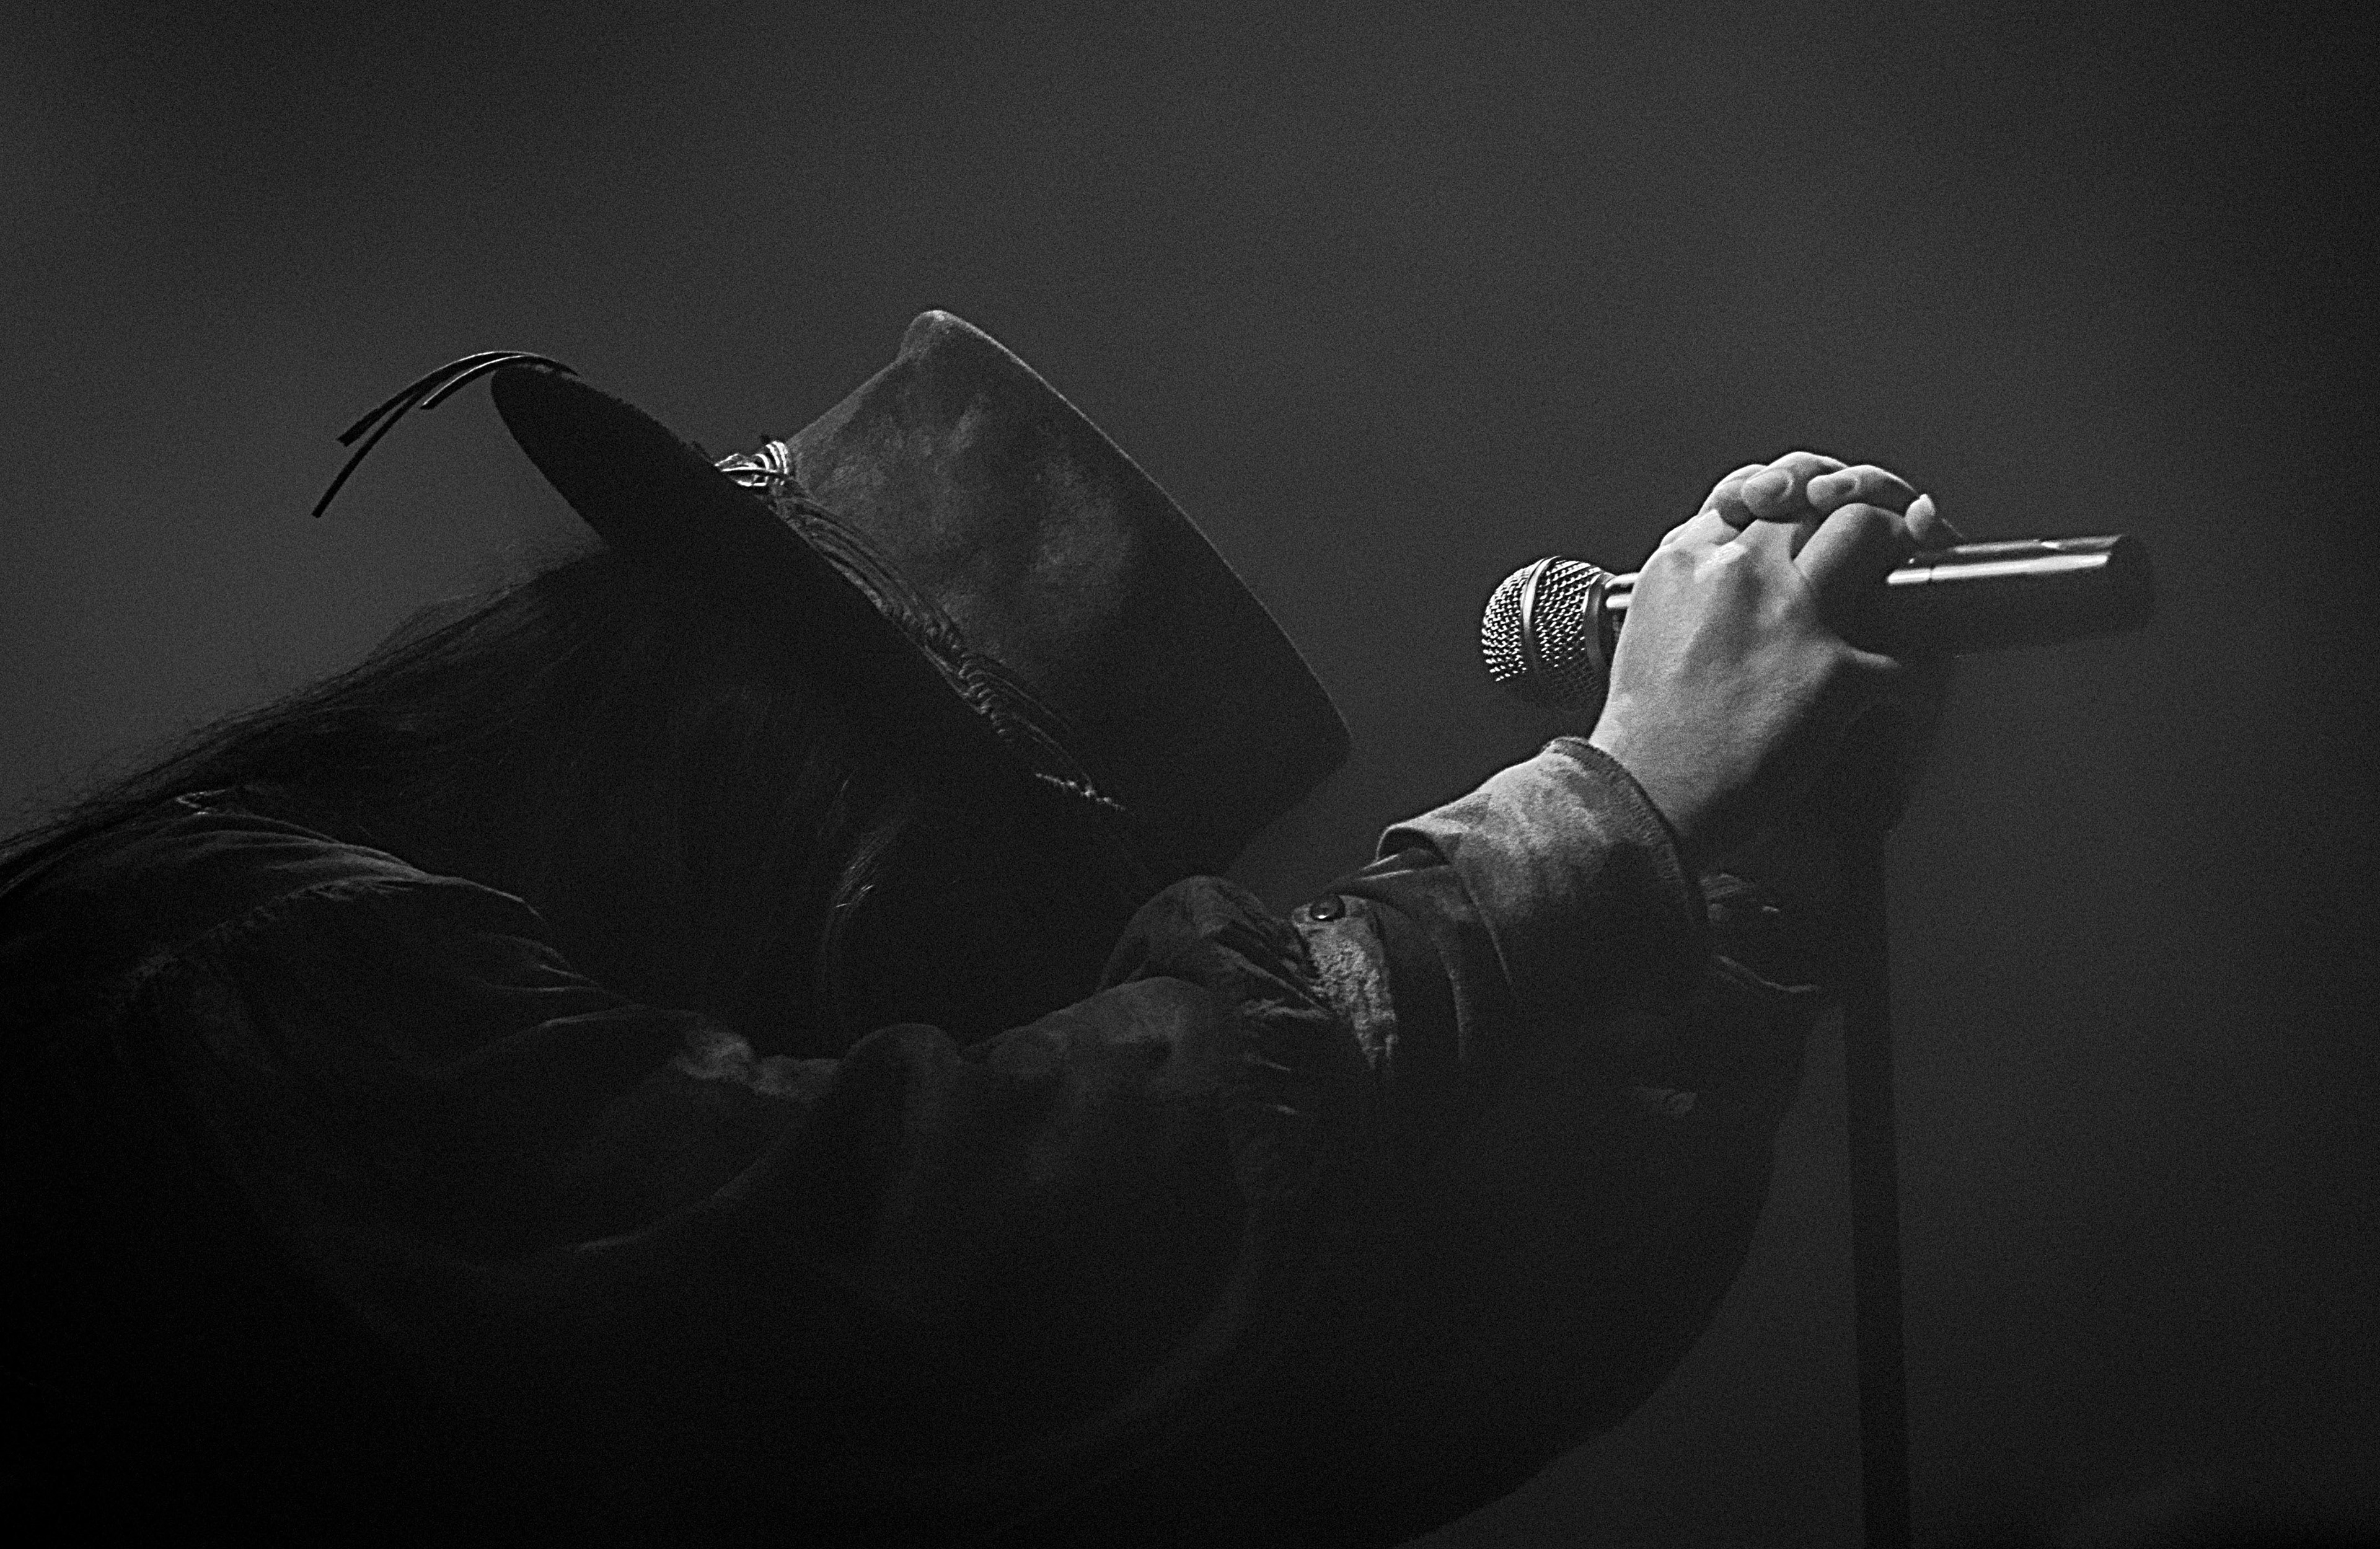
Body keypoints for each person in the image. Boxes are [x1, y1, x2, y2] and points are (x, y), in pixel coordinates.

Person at [0, 312, 1956, 1546]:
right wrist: (1600, 812)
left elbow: (1324, 1400)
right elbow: (896, 1257)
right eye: (979, 912)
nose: (994, 1001)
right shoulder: (234, 964)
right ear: (826, 812)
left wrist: (1742, 862)